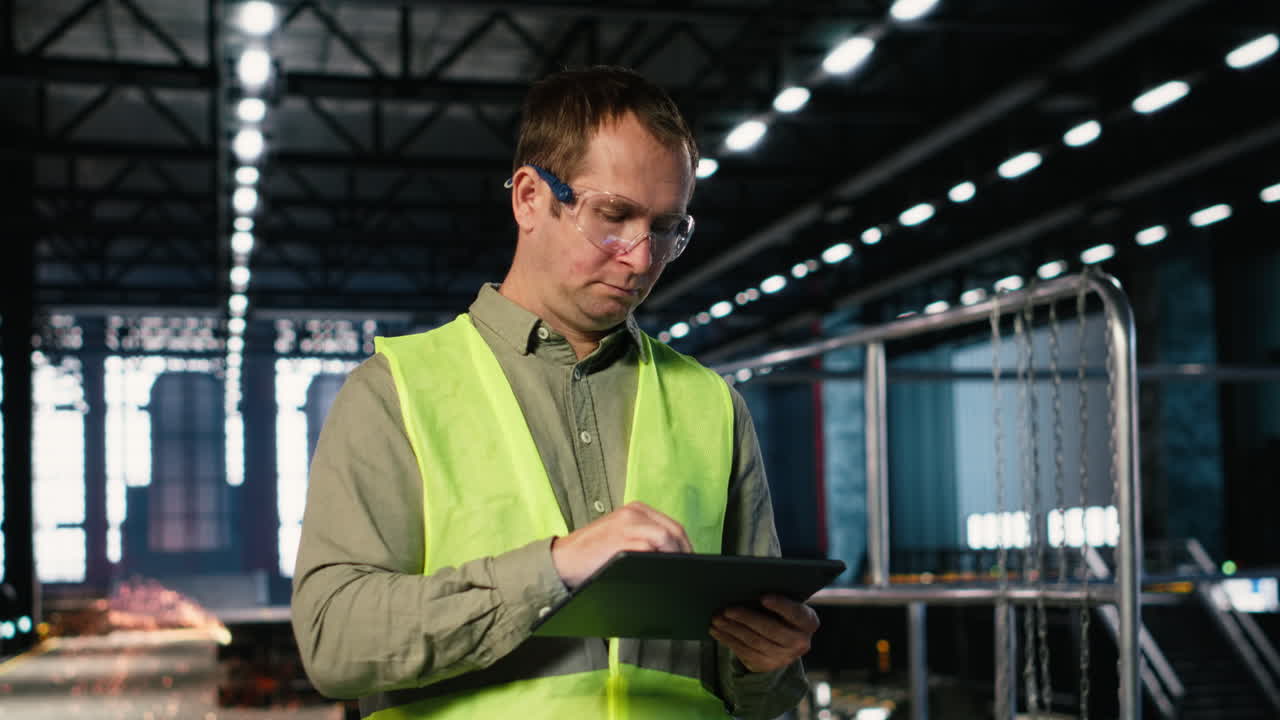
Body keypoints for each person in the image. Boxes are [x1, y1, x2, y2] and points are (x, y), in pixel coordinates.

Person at [291, 65, 818, 719]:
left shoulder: (711, 405)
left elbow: (750, 686)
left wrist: (767, 660)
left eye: (665, 229)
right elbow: (334, 640)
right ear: (528, 198)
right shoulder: (396, 392)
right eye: (614, 216)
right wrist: (556, 568)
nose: (640, 257)